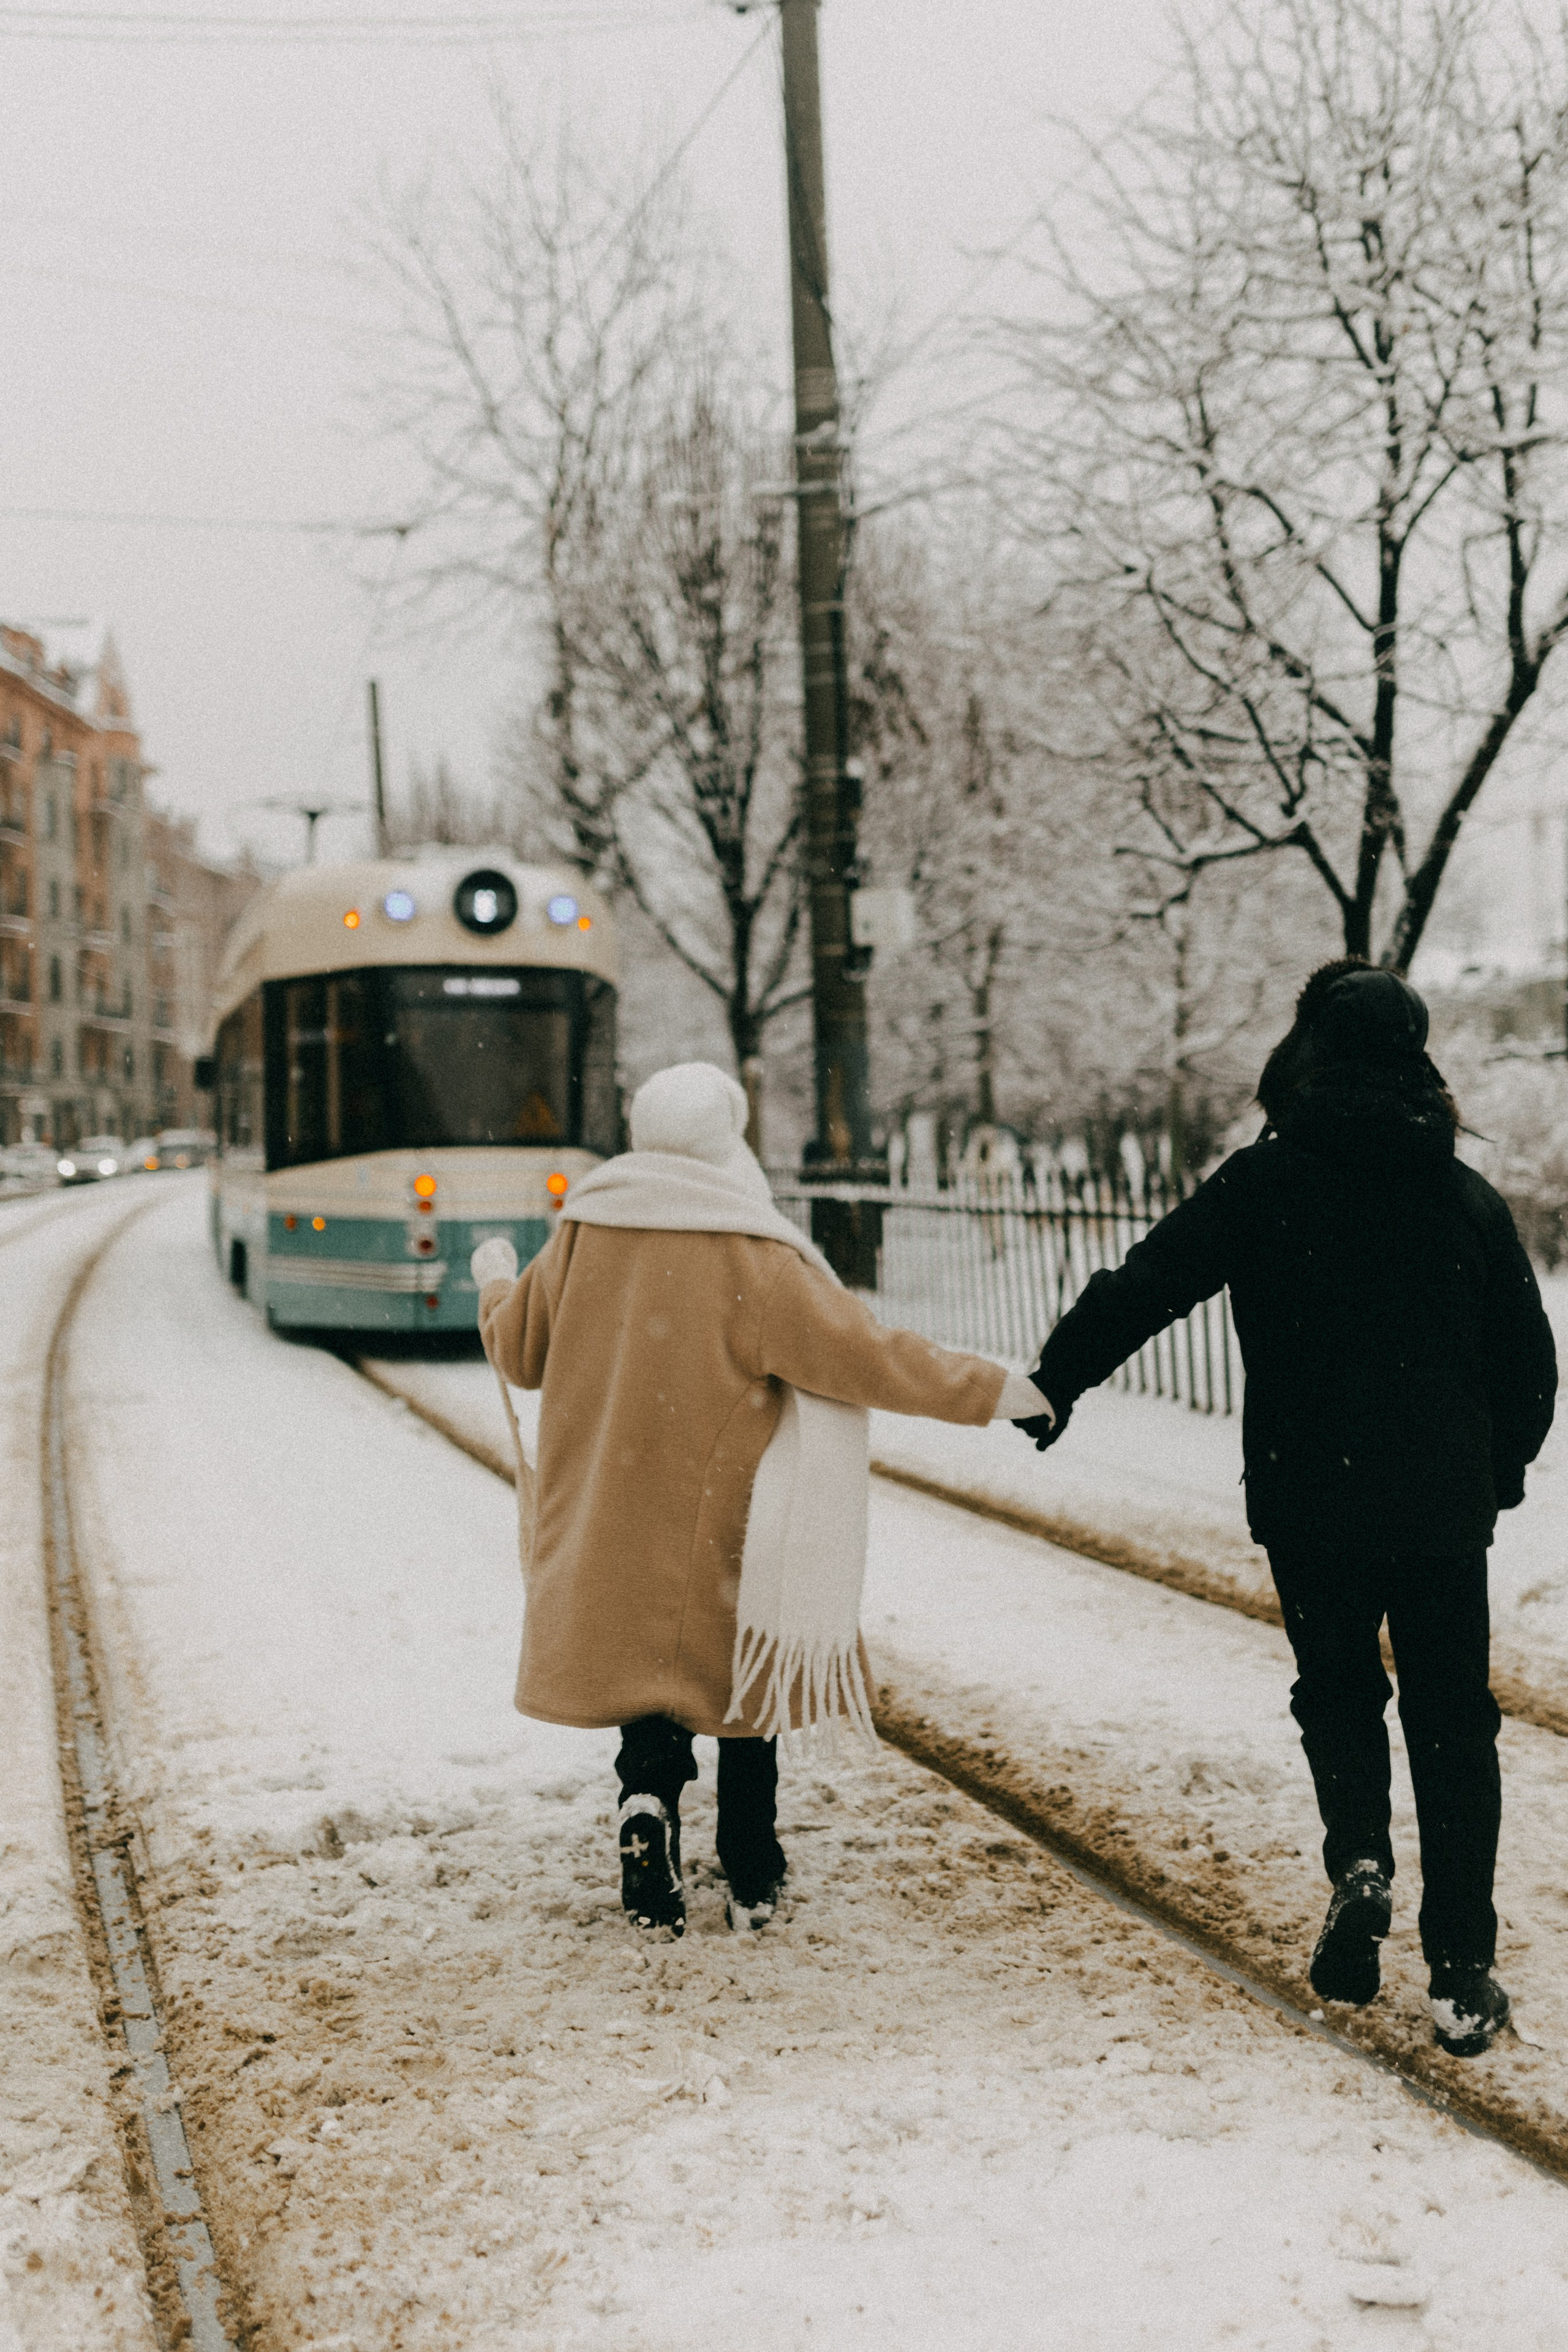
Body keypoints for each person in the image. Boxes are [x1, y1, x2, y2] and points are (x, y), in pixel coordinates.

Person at [1013, 960, 1556, 2057]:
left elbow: (1145, 1283)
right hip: (1437, 1507)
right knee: (1453, 1721)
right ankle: (1460, 1968)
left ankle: (1360, 1864)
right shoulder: (1464, 1199)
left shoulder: (1265, 1183)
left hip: (1310, 1495)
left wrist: (1057, 1377)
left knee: (1341, 1689)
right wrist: (1489, 1477)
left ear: (1309, 1053)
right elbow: (1532, 1368)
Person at [471, 1061, 1045, 1937]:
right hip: (726, 1518)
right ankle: (750, 1866)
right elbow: (873, 1355)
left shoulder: (589, 1225)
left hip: (614, 1519)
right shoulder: (752, 1251)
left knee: (647, 1688)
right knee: (744, 1691)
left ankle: (646, 1808)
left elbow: (519, 1354)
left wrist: (497, 1283)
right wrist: (998, 1390)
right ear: (725, 1139)